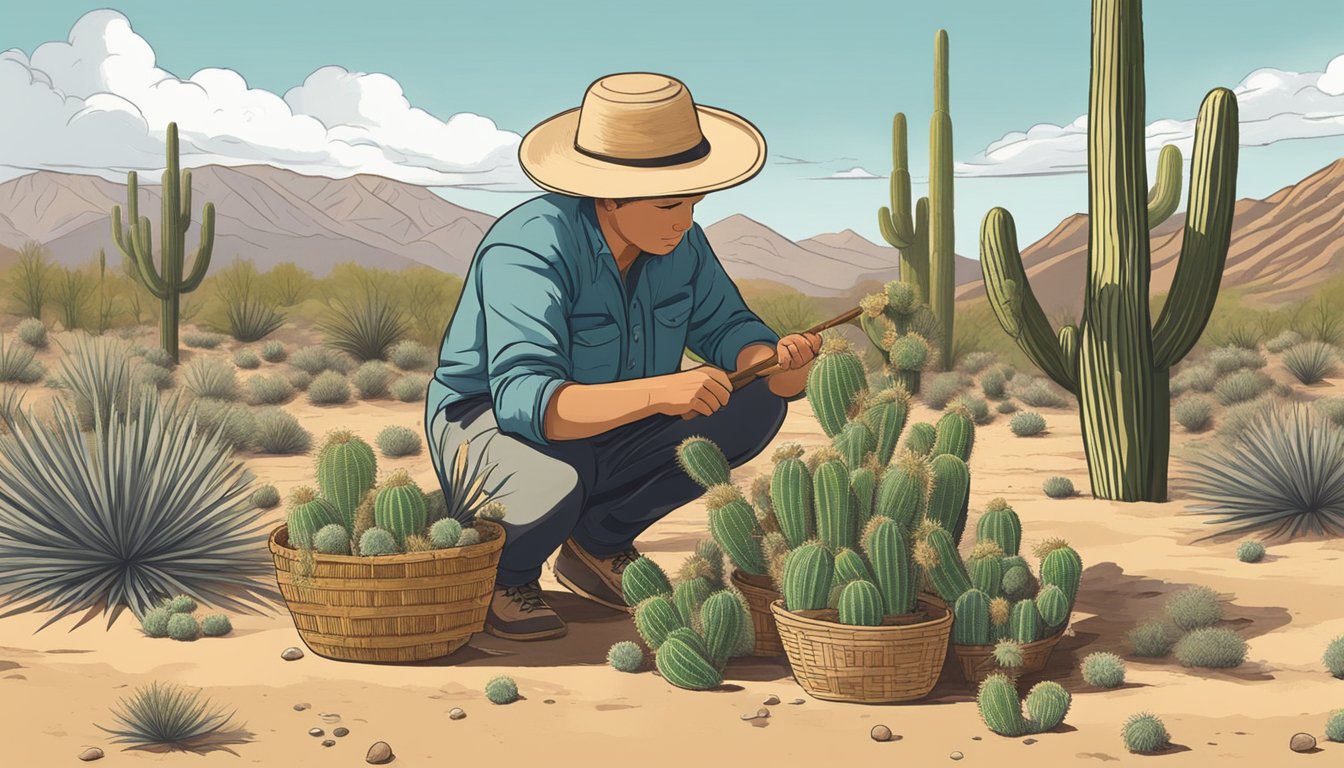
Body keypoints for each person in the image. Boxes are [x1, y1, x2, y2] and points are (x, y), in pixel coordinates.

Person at [425, 72, 821, 641]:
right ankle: (505, 573)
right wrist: (662, 391)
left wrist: (777, 362)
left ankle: (598, 542)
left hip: (616, 418)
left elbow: (729, 327)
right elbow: (527, 403)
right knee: (561, 472)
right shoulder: (529, 247)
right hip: (488, 421)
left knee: (753, 403)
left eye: (692, 202)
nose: (684, 220)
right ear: (608, 193)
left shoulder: (679, 243)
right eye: (667, 205)